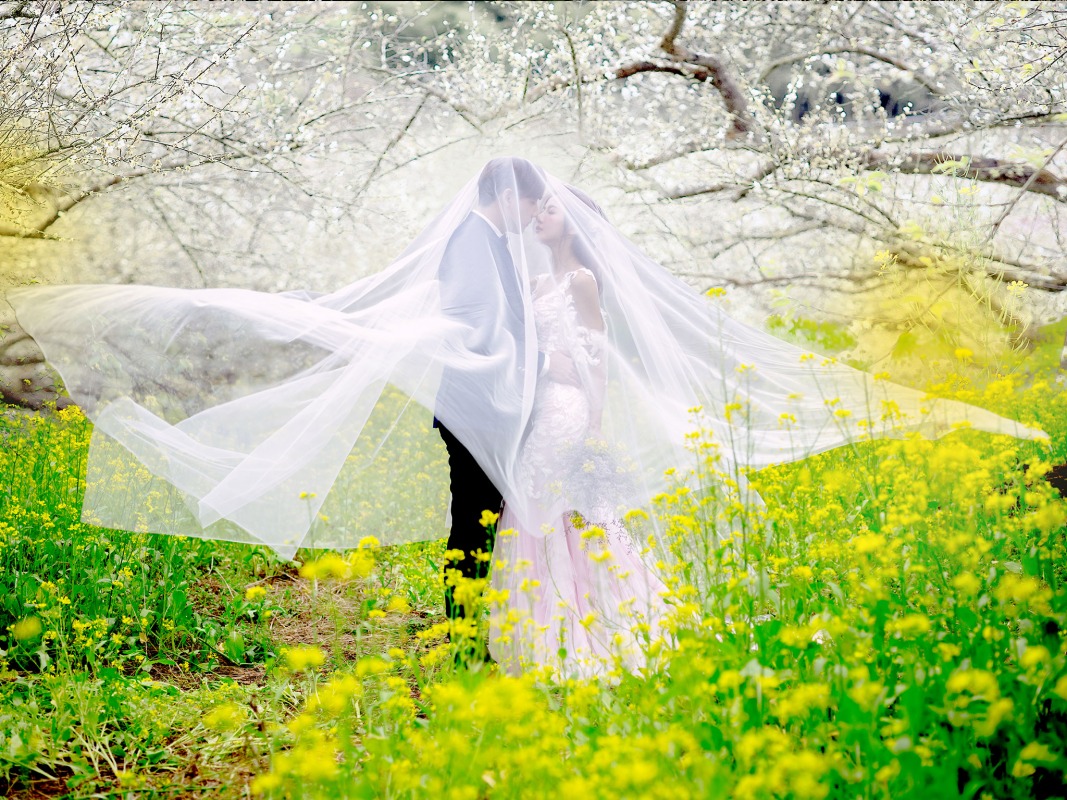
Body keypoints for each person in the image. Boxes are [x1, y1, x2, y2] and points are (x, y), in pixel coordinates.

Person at [7, 158, 1047, 678]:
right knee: (517, 517)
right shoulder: (483, 249)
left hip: (550, 406)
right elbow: (474, 324)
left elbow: (575, 354)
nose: (535, 216)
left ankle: (541, 634)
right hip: (504, 409)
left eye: (539, 208)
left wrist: (570, 411)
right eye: (530, 205)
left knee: (538, 516)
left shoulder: (566, 272)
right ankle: (509, 630)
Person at [487, 189, 671, 677]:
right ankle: (534, 626)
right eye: (540, 207)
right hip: (537, 409)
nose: (540, 216)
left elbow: (598, 359)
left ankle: (588, 624)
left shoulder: (582, 281)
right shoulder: (536, 279)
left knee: (570, 512)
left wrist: (593, 427)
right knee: (530, 507)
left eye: (551, 209)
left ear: (575, 226)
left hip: (566, 413)